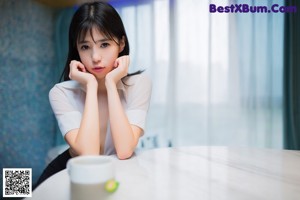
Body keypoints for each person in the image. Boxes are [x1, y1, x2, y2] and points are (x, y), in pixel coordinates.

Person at [35, 1, 151, 188]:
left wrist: (111, 84)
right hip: (67, 170)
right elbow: (88, 156)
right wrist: (90, 85)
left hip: (116, 169)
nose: (95, 57)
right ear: (77, 50)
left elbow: (124, 150)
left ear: (121, 43)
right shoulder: (60, 92)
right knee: (21, 195)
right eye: (85, 47)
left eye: (104, 44)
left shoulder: (139, 84)